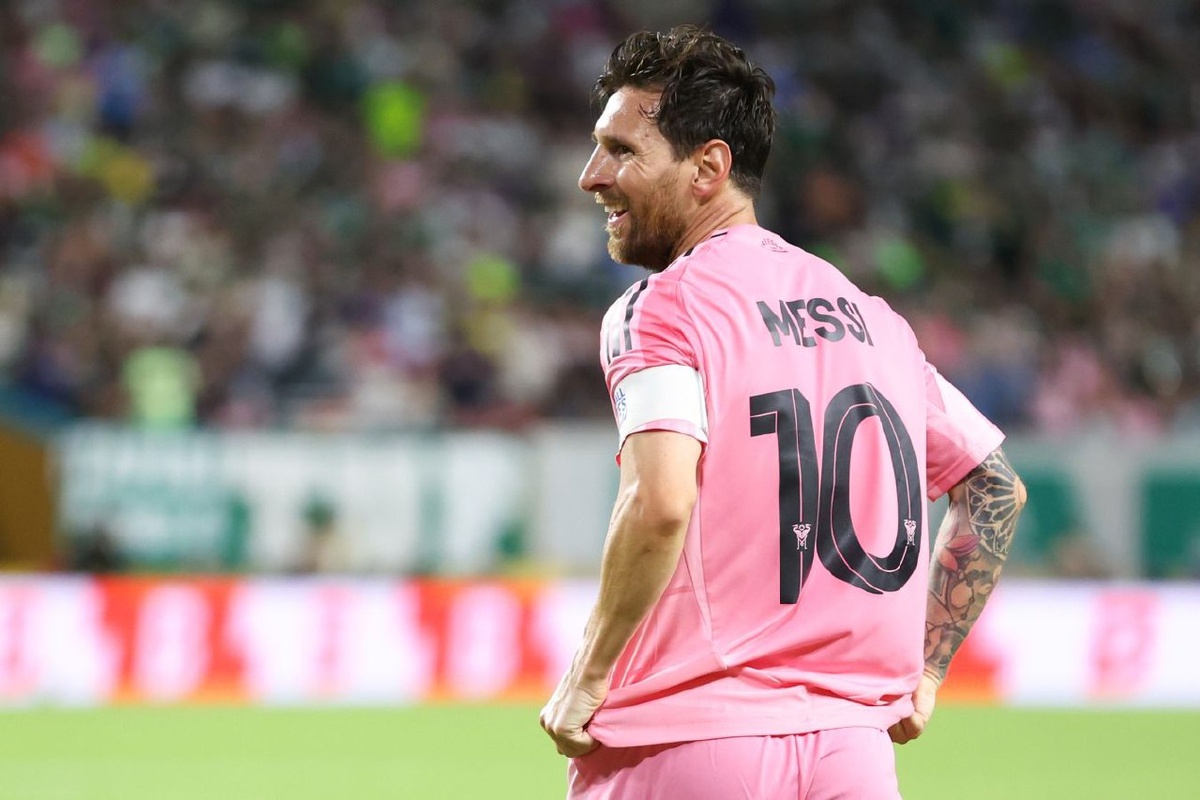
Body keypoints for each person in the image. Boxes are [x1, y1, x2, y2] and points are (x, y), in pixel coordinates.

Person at [538, 24, 1027, 799]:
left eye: (621, 150)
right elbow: (995, 487)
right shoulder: (875, 322)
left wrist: (587, 676)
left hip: (686, 739)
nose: (590, 176)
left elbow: (660, 501)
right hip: (853, 756)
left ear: (709, 167)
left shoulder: (660, 309)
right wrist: (927, 672)